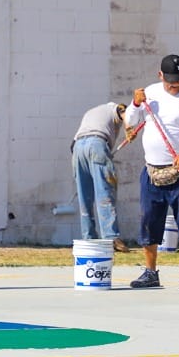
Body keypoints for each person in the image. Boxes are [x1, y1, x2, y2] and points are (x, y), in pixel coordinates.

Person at [123, 54, 179, 290]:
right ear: (160, 75)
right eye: (170, 80)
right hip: (152, 170)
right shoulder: (150, 93)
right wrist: (136, 103)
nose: (175, 85)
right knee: (149, 221)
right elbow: (130, 121)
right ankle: (150, 273)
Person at [72, 101, 129, 251]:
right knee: (105, 191)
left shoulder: (91, 112)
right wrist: (129, 129)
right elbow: (125, 113)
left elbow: (72, 145)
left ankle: (89, 237)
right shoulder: (115, 108)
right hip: (97, 143)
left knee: (85, 196)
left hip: (78, 147)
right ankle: (111, 237)